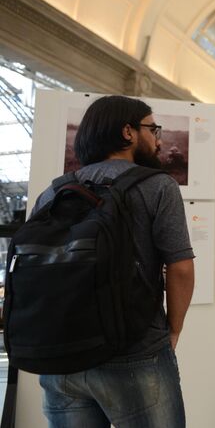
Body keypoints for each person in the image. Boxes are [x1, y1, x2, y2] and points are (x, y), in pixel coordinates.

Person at [31, 95, 193, 426]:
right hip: (135, 350)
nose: (158, 137)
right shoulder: (158, 185)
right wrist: (173, 330)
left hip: (62, 355)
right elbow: (180, 266)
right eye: (152, 128)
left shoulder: (53, 192)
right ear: (128, 132)